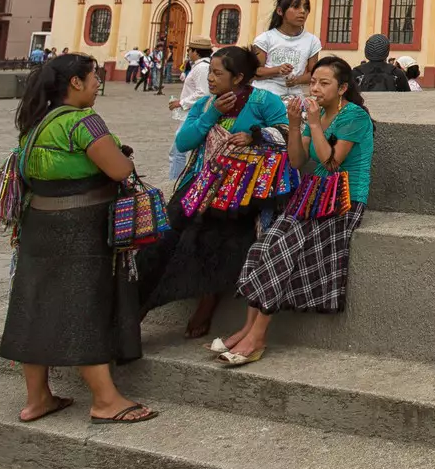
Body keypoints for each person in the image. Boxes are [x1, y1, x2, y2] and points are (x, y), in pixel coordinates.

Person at [0, 53, 155, 425]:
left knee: (33, 305)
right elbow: (118, 169)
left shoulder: (35, 123)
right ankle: (105, 399)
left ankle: (37, 398)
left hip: (39, 224)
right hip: (80, 226)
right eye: (94, 77)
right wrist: (124, 157)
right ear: (75, 83)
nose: (99, 83)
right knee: (84, 305)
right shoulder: (84, 122)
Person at [220, 57, 374, 366]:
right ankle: (248, 327)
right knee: (265, 242)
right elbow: (296, 160)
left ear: (342, 88)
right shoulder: (313, 116)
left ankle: (259, 335)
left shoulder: (354, 117)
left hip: (343, 200)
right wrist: (294, 124)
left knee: (284, 248)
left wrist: (314, 124)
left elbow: (331, 163)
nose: (315, 88)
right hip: (313, 196)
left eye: (324, 83)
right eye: (313, 82)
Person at [139, 44, 288, 340]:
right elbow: (184, 143)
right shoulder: (206, 104)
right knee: (165, 235)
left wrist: (254, 136)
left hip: (240, 193)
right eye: (211, 73)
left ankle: (208, 300)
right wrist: (211, 116)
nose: (210, 79)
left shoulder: (264, 101)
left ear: (238, 78)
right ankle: (140, 304)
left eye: (218, 74)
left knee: (215, 236)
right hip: (200, 184)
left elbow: (285, 133)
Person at [252, 0, 321, 100]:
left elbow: (313, 74)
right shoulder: (265, 39)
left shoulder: (312, 41)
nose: (303, 11)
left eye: (306, 7)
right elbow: (254, 72)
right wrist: (277, 70)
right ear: (280, 11)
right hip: (264, 96)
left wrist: (297, 80)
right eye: (296, 7)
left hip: (294, 98)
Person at [167, 41, 213, 180]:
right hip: (192, 114)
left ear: (195, 51)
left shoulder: (202, 68)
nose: (188, 53)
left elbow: (203, 93)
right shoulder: (199, 67)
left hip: (194, 114)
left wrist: (181, 102)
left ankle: (175, 181)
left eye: (189, 50)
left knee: (178, 150)